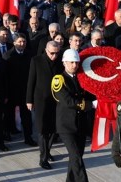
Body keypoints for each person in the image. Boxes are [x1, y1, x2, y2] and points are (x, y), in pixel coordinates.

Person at [51, 49, 91, 182]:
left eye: (76, 62)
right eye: (71, 62)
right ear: (64, 63)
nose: (74, 65)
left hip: (80, 125)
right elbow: (68, 101)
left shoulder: (81, 78)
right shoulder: (59, 80)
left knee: (76, 157)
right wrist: (91, 105)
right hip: (66, 126)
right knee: (76, 157)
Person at [27, 41, 63, 170]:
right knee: (42, 130)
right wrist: (29, 100)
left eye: (57, 53)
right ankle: (43, 159)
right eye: (52, 53)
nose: (54, 56)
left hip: (56, 101)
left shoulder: (60, 61)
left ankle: (47, 151)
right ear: (46, 50)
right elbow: (31, 81)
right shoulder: (36, 60)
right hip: (41, 100)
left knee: (54, 129)